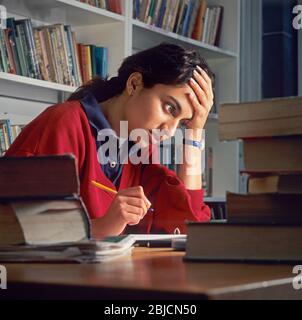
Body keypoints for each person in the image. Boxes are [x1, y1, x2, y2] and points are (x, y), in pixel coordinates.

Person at [6, 43, 214, 238]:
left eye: (183, 123)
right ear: (134, 84)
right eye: (169, 108)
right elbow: (15, 228)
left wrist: (194, 134)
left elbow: (188, 225)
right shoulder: (64, 123)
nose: (169, 132)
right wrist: (103, 226)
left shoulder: (141, 148)